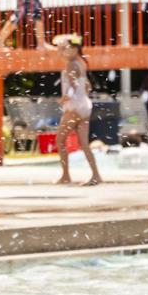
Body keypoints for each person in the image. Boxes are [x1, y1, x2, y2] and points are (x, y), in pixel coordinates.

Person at [55, 35, 101, 186]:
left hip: (74, 107)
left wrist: (65, 98)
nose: (61, 52)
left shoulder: (71, 65)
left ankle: (66, 175)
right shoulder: (81, 64)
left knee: (60, 140)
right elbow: (87, 86)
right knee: (84, 144)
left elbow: (72, 87)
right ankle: (96, 175)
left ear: (75, 50)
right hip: (84, 107)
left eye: (64, 49)